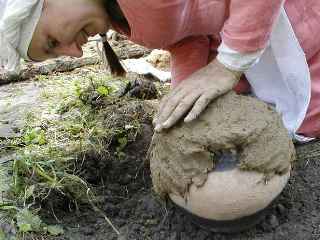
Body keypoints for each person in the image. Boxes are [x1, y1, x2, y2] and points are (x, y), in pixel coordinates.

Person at [0, 0, 318, 232]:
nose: (73, 53)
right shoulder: (119, 16)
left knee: (302, 118)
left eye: (52, 42)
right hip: (237, 42)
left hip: (279, 22)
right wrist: (184, 102)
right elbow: (187, 35)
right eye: (55, 55)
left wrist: (228, 66)